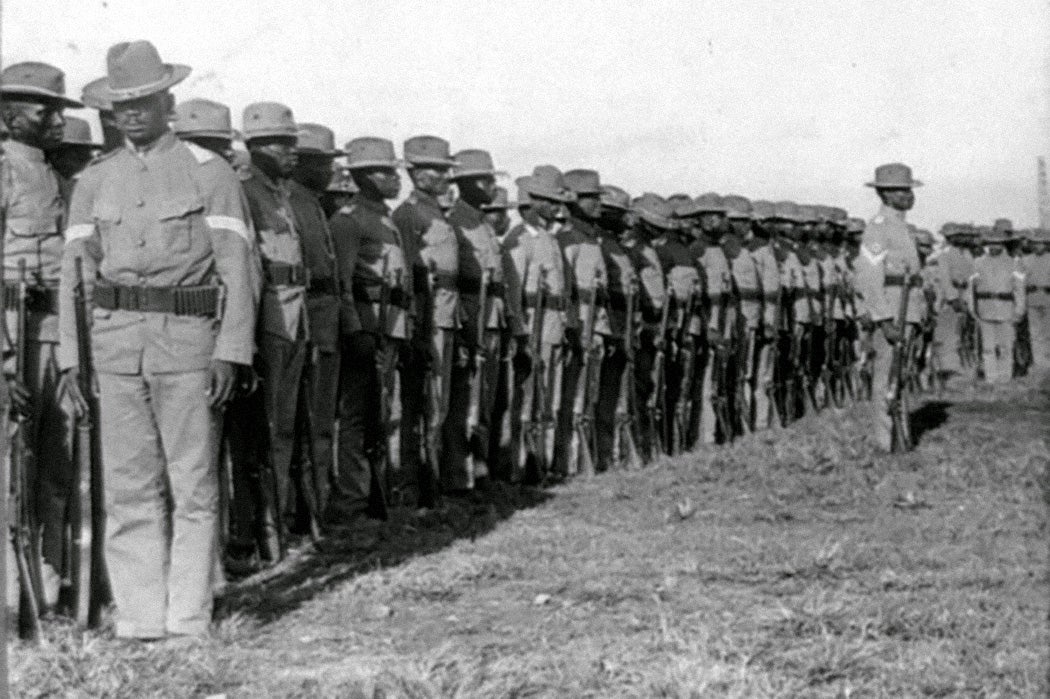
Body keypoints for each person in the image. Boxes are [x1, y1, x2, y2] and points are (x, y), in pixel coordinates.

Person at [58, 41, 255, 639]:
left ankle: (188, 614)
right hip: (115, 350)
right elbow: (75, 273)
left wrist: (231, 350)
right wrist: (72, 358)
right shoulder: (94, 180)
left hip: (190, 345)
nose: (133, 114)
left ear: (167, 101)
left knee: (193, 485)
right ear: (110, 114)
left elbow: (238, 265)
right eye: (122, 106)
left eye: (144, 101)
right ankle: (141, 616)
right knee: (128, 486)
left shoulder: (209, 171)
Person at [1, 60, 82, 613]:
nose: (55, 118)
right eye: (43, 108)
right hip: (12, 332)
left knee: (57, 460)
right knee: (11, 464)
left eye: (58, 108)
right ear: (8, 113)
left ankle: (46, 581)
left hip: (56, 331)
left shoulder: (55, 177)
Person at [328, 137, 409, 524]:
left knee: (381, 413)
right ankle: (352, 500)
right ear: (362, 176)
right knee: (358, 416)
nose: (394, 178)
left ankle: (375, 492)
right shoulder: (349, 221)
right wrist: (354, 330)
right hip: (366, 328)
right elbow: (342, 283)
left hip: (389, 326)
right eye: (384, 171)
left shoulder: (384, 219)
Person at [239, 102, 310, 538]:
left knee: (284, 424)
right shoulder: (245, 191)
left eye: (292, 142)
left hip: (294, 315)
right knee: (263, 429)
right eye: (281, 144)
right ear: (255, 147)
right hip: (268, 317)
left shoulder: (282, 194)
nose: (292, 152)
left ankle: (278, 516)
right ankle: (259, 523)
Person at [445, 150, 522, 488]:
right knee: (464, 402)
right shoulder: (455, 224)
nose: (491, 185)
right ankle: (459, 475)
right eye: (484, 179)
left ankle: (482, 467)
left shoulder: (481, 224)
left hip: (492, 321)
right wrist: (464, 326)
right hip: (470, 322)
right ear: (463, 183)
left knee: (487, 399)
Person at [391, 135, 460, 505]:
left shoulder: (435, 213)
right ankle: (408, 484)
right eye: (438, 170)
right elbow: (409, 275)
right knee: (415, 405)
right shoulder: (408, 215)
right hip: (425, 317)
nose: (445, 177)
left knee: (438, 403)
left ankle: (430, 482)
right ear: (417, 174)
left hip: (446, 316)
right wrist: (415, 325)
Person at [289, 123, 343, 521]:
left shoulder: (311, 204)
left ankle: (317, 499)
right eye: (322, 163)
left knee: (321, 418)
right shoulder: (293, 202)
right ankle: (301, 506)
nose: (329, 171)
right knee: (307, 419)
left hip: (325, 318)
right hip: (306, 319)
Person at [504, 167, 571, 482]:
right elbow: (513, 292)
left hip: (553, 326)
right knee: (528, 399)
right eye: (548, 201)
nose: (555, 206)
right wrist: (519, 331)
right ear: (532, 202)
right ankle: (520, 465)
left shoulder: (549, 238)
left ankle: (541, 463)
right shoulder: (519, 240)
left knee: (547, 399)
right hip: (533, 327)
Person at [854, 162, 926, 451]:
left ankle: (900, 437)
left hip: (907, 310)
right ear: (884, 194)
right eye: (900, 190)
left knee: (900, 376)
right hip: (893, 311)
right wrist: (884, 318)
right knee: (887, 377)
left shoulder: (902, 227)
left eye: (909, 189)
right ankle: (886, 442)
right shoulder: (878, 228)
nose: (908, 195)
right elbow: (869, 278)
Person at [554, 169, 607, 476]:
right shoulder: (567, 242)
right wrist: (575, 330)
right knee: (571, 398)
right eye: (591, 198)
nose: (598, 204)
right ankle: (565, 461)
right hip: (578, 330)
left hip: (595, 329)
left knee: (588, 396)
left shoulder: (591, 241)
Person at [966, 226, 1026, 383]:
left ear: (1003, 244)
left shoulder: (1014, 263)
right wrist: (972, 309)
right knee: (987, 347)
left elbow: (1019, 289)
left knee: (1006, 347)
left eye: (998, 243)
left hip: (1006, 309)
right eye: (991, 243)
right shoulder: (978, 263)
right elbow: (971, 289)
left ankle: (1005, 377)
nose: (994, 247)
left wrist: (1019, 310)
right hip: (985, 308)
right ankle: (991, 378)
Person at [47, 116, 103, 202]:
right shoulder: (50, 181)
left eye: (61, 151)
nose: (54, 157)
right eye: (52, 152)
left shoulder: (97, 182)